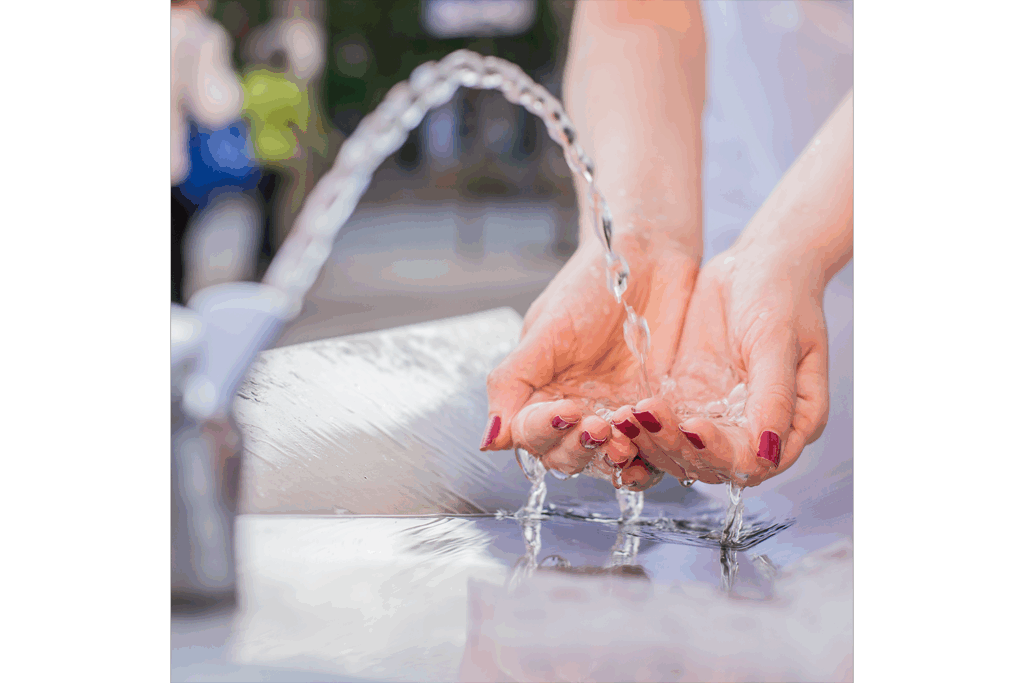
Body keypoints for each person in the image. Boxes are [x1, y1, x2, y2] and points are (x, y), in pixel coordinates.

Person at [479, 0, 852, 492]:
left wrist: (793, 249)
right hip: (717, 281)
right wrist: (635, 239)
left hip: (796, 242)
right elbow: (636, 13)